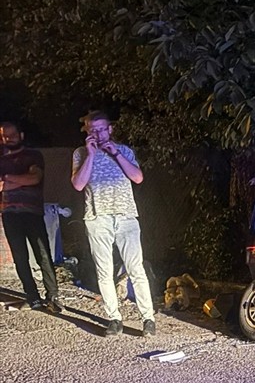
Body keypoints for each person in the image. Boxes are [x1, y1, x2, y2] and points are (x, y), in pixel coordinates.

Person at [71, 110, 156, 337]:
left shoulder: (124, 150)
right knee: (104, 271)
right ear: (87, 132)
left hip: (126, 216)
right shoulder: (80, 153)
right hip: (97, 217)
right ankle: (114, 319)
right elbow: (78, 185)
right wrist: (90, 155)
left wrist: (115, 153)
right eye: (93, 130)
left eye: (102, 129)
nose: (98, 134)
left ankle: (148, 318)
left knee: (136, 268)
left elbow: (137, 177)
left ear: (110, 129)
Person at [0, 119, 62, 314]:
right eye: (4, 136)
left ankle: (53, 297)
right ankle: (32, 297)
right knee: (20, 257)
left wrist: (7, 179)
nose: (8, 139)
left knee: (43, 254)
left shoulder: (33, 155)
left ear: (21, 135)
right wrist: (21, 181)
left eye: (12, 135)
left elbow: (34, 178)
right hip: (9, 213)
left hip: (32, 212)